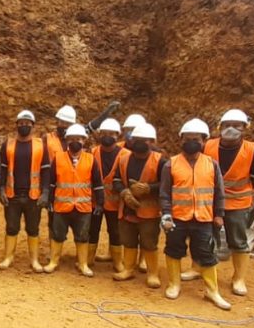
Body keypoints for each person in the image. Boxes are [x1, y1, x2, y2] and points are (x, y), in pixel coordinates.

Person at [160, 118, 231, 310]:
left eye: (196, 139)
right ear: (181, 140)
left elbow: (219, 192)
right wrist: (166, 214)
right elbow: (165, 193)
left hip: (203, 217)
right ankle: (174, 284)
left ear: (204, 141)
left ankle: (212, 291)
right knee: (173, 250)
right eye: (188, 139)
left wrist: (219, 214)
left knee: (206, 253)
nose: (192, 142)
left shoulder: (211, 164)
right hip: (177, 217)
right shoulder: (171, 164)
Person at [195, 109, 254, 296]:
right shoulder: (208, 146)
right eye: (227, 125)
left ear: (245, 128)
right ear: (220, 127)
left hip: (237, 204)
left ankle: (238, 278)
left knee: (238, 241)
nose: (231, 129)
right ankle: (197, 268)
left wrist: (248, 200)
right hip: (209, 202)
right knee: (202, 237)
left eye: (236, 125)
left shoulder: (252, 150)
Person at [111, 123, 167, 288]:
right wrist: (124, 192)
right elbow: (116, 180)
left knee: (149, 243)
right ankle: (128, 269)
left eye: (145, 139)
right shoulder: (123, 159)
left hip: (149, 212)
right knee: (128, 240)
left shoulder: (160, 161)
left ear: (152, 142)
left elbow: (167, 184)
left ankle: (153, 273)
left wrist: (150, 188)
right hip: (127, 209)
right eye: (137, 139)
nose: (140, 142)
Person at [45, 124, 104, 277]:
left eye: (78, 139)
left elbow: (97, 184)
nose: (75, 141)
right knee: (57, 235)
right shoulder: (58, 158)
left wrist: (100, 202)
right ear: (66, 140)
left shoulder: (91, 160)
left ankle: (83, 264)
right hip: (61, 206)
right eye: (71, 139)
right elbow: (51, 182)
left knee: (82, 236)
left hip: (83, 207)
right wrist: (49, 201)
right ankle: (53, 261)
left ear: (84, 140)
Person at [0, 110, 51, 272]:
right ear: (16, 125)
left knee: (33, 229)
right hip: (12, 195)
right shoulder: (8, 145)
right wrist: (1, 188)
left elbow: (46, 171)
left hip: (33, 196)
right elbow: (3, 169)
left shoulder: (40, 145)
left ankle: (34, 260)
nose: (24, 126)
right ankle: (8, 258)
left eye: (27, 124)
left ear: (33, 126)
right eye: (21, 123)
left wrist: (45, 192)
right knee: (11, 227)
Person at [88, 118, 129, 272]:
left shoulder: (126, 155)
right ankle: (88, 259)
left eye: (111, 134)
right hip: (95, 201)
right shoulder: (92, 152)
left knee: (115, 231)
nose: (107, 136)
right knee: (92, 230)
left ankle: (117, 261)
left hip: (116, 202)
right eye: (104, 133)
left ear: (117, 135)